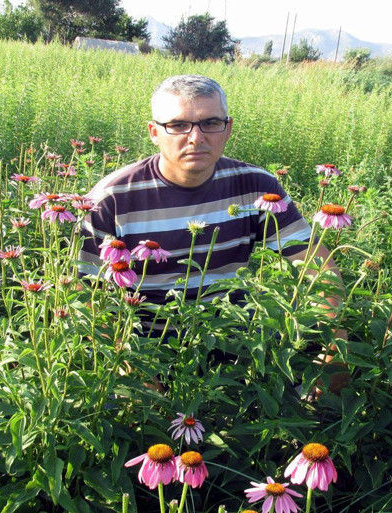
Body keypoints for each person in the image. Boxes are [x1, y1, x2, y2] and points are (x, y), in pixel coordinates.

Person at [78, 74, 347, 394]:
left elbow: (315, 264)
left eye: (210, 123)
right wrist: (135, 373)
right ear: (154, 132)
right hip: (147, 346)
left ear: (228, 128)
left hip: (233, 337)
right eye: (178, 125)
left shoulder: (256, 187)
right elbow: (87, 296)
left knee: (343, 348)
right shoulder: (113, 198)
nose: (196, 137)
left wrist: (334, 338)